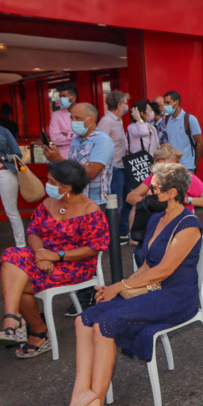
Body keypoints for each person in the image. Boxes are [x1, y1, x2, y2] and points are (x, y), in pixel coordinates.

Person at [48, 163, 203, 406]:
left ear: (172, 192)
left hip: (175, 295)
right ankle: (79, 400)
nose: (146, 193)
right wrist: (114, 287)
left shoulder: (189, 224)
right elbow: (146, 265)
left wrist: (119, 287)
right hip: (151, 288)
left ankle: (92, 404)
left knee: (106, 323)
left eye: (153, 189)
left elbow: (163, 271)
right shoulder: (157, 218)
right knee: (83, 320)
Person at [0, 160, 109, 358]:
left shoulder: (90, 210)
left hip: (74, 265)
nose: (47, 184)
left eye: (51, 181)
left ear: (66, 187)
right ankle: (14, 318)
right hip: (45, 257)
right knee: (11, 254)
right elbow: (33, 232)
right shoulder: (49, 203)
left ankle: (35, 329)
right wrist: (41, 253)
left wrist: (57, 256)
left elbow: (95, 248)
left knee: (18, 283)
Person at [43, 103, 115, 317]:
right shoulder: (76, 141)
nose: (72, 121)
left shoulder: (103, 141)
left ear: (90, 120)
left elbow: (91, 172)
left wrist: (60, 160)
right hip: (72, 202)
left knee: (88, 251)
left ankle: (89, 297)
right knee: (72, 248)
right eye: (71, 116)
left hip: (94, 203)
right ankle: (80, 294)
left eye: (76, 117)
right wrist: (56, 162)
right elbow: (69, 172)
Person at [127, 144, 203, 266]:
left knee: (158, 259)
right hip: (158, 226)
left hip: (179, 228)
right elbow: (131, 197)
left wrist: (185, 200)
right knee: (141, 254)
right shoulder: (154, 178)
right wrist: (152, 201)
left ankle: (152, 282)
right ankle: (149, 282)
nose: (165, 172)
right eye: (160, 167)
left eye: (169, 167)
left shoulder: (188, 179)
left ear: (178, 163)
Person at [97, 90, 132, 244]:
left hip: (123, 165)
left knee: (129, 199)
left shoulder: (118, 120)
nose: (127, 106)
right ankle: (110, 236)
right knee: (115, 204)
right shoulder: (107, 121)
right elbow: (100, 144)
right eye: (125, 103)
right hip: (114, 168)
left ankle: (122, 233)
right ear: (119, 105)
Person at [163, 91, 203, 172]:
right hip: (172, 166)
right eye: (164, 103)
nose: (165, 106)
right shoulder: (167, 119)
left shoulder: (190, 119)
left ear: (177, 102)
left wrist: (195, 165)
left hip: (187, 166)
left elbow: (200, 144)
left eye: (168, 102)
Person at [0, 127, 25, 248]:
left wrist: (3, 159)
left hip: (4, 172)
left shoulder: (4, 131)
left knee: (11, 211)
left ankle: (21, 246)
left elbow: (18, 155)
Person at [48, 83, 79, 159]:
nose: (62, 99)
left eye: (64, 96)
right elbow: (54, 139)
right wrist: (76, 136)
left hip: (81, 156)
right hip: (63, 158)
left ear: (74, 97)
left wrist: (67, 134)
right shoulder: (56, 115)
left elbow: (87, 136)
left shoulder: (84, 112)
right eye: (60, 96)